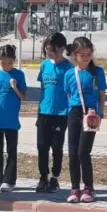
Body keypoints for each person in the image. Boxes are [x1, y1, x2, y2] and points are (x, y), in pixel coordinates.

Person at [64, 37, 107, 204]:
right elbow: (69, 94)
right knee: (73, 152)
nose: (87, 57)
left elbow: (102, 93)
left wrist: (100, 113)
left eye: (89, 54)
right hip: (74, 113)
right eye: (83, 55)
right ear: (75, 55)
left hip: (91, 113)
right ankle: (75, 188)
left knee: (83, 151)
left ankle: (88, 187)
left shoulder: (97, 72)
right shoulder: (69, 74)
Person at [0, 44, 27, 192]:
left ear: (14, 60)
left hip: (11, 121)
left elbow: (23, 97)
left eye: (9, 62)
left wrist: (15, 88)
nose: (6, 66)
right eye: (3, 62)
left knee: (11, 150)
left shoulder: (19, 75)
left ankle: (9, 180)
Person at [35, 31, 71, 193]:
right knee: (42, 146)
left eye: (52, 49)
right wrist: (39, 110)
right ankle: (43, 176)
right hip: (44, 113)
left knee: (56, 148)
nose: (49, 52)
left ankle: (54, 178)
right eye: (47, 49)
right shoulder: (44, 65)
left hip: (61, 115)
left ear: (61, 48)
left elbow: (71, 93)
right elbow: (43, 88)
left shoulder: (69, 68)